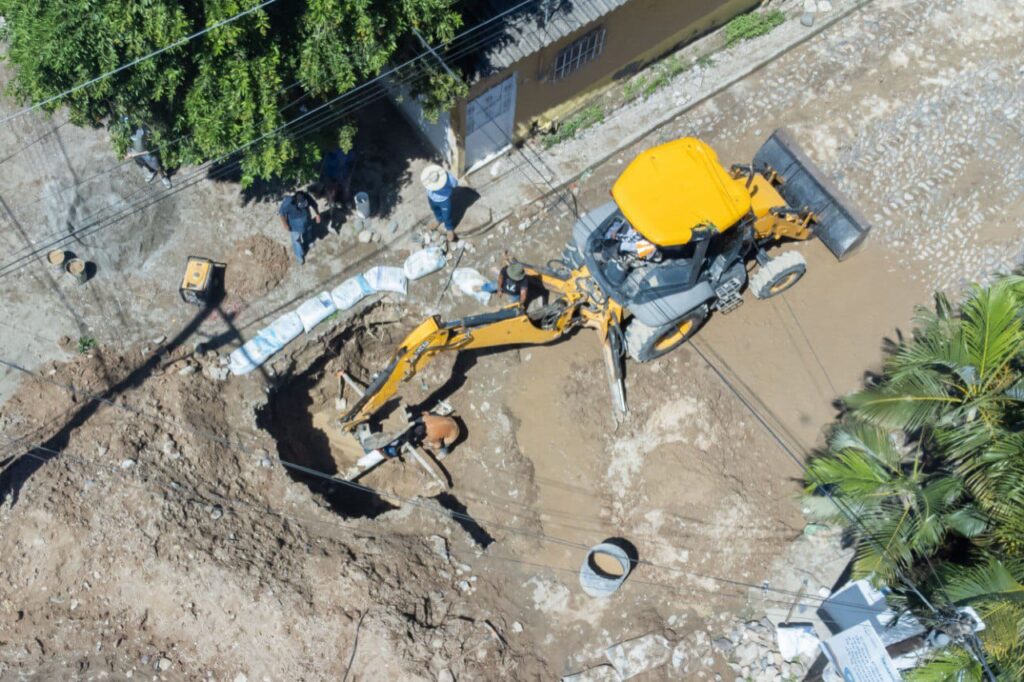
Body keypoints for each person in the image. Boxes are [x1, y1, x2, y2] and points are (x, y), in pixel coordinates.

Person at [278, 190, 321, 265]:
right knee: (296, 241)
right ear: (296, 202)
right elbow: (282, 213)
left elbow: (314, 204)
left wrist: (317, 215)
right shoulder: (288, 203)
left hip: (307, 220)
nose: (304, 206)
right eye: (302, 205)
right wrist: (285, 225)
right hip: (294, 225)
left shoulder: (306, 196)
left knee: (308, 232)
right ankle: (299, 257)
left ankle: (309, 242)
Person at [420, 163, 459, 244]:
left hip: (444, 200)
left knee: (447, 216)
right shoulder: (428, 176)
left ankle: (449, 229)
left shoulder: (447, 177)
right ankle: (439, 219)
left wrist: (447, 180)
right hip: (431, 198)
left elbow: (454, 184)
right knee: (435, 210)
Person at [321, 146, 356, 211]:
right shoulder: (328, 156)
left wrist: (350, 175)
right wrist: (329, 180)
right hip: (333, 177)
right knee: (331, 191)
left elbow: (352, 160)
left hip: (344, 175)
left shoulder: (344, 152)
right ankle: (332, 202)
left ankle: (346, 201)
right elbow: (325, 169)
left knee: (346, 189)